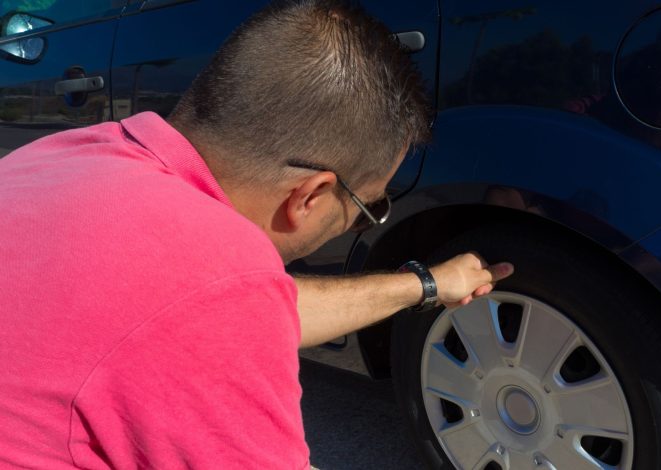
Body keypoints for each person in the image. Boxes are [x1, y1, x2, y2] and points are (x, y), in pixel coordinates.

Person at [0, 1, 512, 468]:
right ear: (310, 196)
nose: (368, 217)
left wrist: (426, 284)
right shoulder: (215, 282)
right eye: (368, 206)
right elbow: (222, 304)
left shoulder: (65, 155)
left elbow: (240, 305)